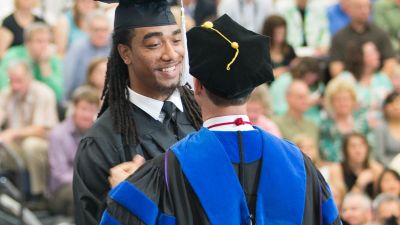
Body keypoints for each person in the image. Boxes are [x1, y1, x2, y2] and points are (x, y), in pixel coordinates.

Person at [100, 14, 341, 225]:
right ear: (251, 89)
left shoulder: (166, 172)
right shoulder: (299, 166)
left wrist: (124, 190)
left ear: (197, 86)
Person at [72, 0, 203, 224]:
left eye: (176, 40)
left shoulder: (202, 115)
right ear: (125, 54)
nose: (170, 54)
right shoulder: (102, 143)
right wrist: (127, 200)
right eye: (154, 44)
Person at [0, 60, 58, 202]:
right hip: (18, 145)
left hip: (45, 145)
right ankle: (10, 191)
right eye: (11, 81)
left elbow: (41, 129)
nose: (15, 86)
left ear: (29, 77)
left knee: (31, 145)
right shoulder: (7, 93)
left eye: (19, 81)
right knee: (4, 146)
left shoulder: (44, 93)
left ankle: (38, 195)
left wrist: (13, 132)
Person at [48, 86, 100, 216]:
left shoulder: (99, 134)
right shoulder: (58, 134)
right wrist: (88, 182)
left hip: (89, 184)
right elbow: (60, 175)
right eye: (84, 109)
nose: (88, 115)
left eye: (92, 110)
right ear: (74, 109)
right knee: (82, 195)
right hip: (62, 190)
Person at [329, 0, 396, 78]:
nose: (364, 11)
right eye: (359, 7)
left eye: (367, 7)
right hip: (349, 84)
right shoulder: (339, 37)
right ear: (349, 10)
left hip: (377, 84)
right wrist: (349, 83)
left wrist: (379, 81)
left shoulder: (380, 34)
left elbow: (390, 61)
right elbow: (335, 67)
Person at [0, 22, 64, 102]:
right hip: (15, 103)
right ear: (27, 43)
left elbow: (57, 95)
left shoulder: (53, 59)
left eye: (47, 41)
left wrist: (44, 65)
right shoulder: (12, 56)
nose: (44, 46)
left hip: (42, 105)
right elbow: (4, 87)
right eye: (39, 41)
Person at [63, 10, 112, 101]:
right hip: (81, 96)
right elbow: (68, 78)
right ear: (88, 30)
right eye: (97, 30)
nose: (101, 34)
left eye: (104, 30)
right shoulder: (77, 47)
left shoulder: (114, 46)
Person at [320, 78, 369, 162]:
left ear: (353, 101)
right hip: (336, 168)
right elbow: (327, 153)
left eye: (346, 99)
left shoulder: (362, 122)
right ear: (331, 102)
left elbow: (370, 147)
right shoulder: (326, 126)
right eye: (338, 100)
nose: (342, 103)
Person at [330, 133, 383, 198]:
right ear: (345, 150)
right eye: (353, 146)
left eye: (361, 145)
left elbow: (380, 198)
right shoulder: (337, 169)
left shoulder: (376, 168)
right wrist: (360, 184)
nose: (358, 150)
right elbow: (340, 201)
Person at [374, 92, 400, 165]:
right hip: (389, 170)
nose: (397, 107)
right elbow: (379, 156)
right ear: (386, 108)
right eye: (393, 103)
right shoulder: (380, 129)